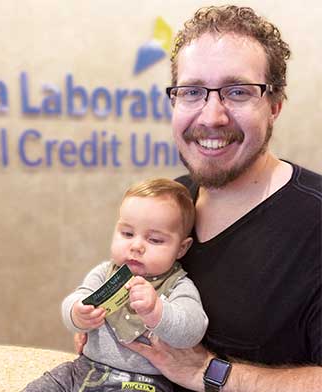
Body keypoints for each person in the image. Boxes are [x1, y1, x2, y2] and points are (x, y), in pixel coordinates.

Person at [119, 5, 321, 392]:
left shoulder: (315, 222)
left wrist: (211, 372)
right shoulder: (173, 200)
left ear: (274, 107)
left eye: (238, 92)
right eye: (192, 92)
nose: (212, 117)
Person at [23, 178, 208, 392]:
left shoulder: (178, 285)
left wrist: (158, 311)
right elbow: (75, 301)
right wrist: (77, 313)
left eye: (155, 240)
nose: (136, 246)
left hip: (143, 382)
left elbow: (193, 330)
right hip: (85, 368)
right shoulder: (105, 273)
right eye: (127, 234)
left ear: (181, 249)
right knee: (43, 386)